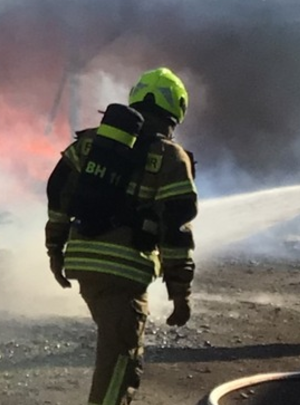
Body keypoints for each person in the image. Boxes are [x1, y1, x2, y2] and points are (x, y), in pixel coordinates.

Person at [45, 67, 198, 405]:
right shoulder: (171, 158)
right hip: (124, 271)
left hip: (82, 260)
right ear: (176, 109)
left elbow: (58, 193)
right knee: (121, 364)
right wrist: (180, 292)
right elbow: (176, 228)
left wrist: (55, 249)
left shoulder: (90, 143)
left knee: (113, 352)